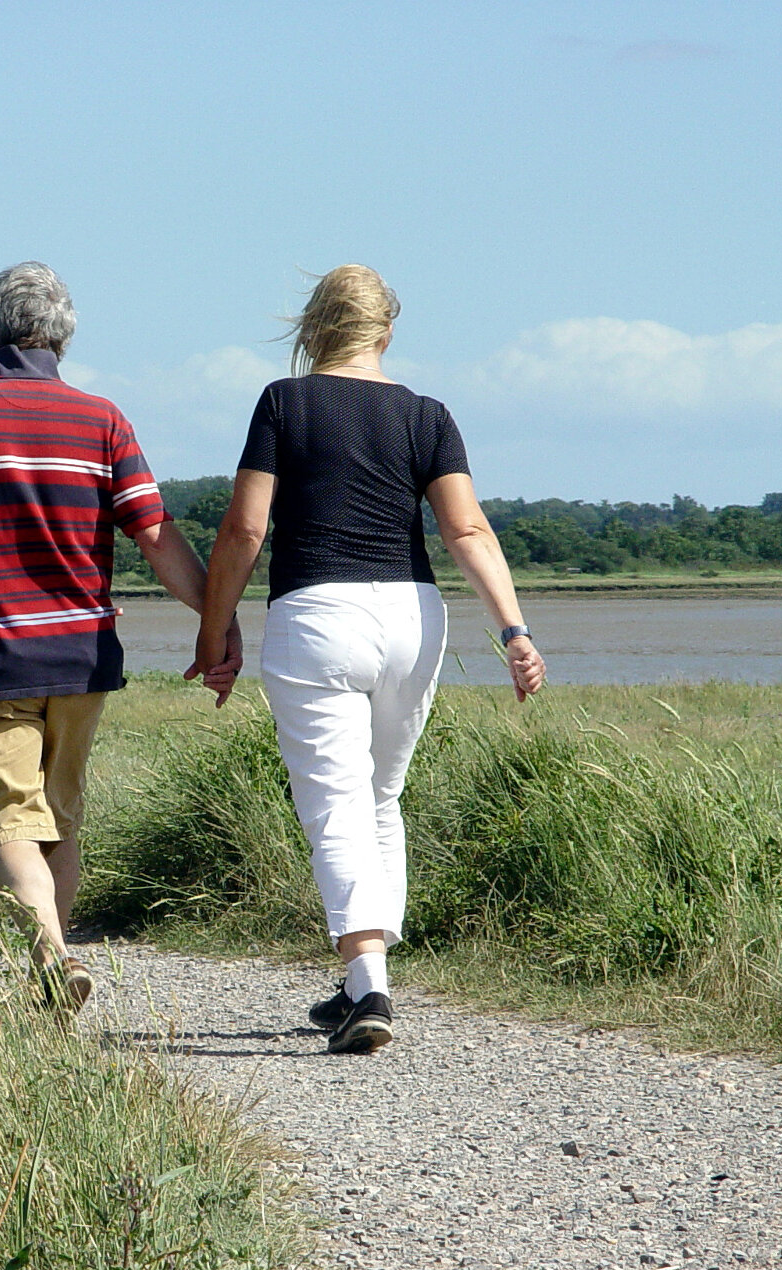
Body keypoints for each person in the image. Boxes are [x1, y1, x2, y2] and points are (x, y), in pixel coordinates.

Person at [189, 264, 545, 1055]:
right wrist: (514, 631)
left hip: (318, 614)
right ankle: (361, 981)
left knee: (335, 804)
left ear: (314, 327)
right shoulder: (427, 414)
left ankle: (370, 985)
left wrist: (215, 633)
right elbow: (467, 531)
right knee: (380, 797)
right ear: (386, 332)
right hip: (413, 617)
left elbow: (245, 530)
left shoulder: (284, 403)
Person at [0, 261, 232, 1010]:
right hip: (82, 659)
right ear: (62, 339)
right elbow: (156, 534)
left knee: (10, 824)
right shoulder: (102, 420)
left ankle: (52, 954)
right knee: (60, 821)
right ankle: (53, 991)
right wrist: (217, 616)